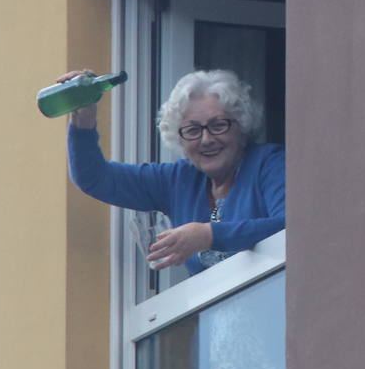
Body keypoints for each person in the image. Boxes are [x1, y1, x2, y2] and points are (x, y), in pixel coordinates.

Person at [61, 67, 286, 274]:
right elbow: (95, 178)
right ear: (179, 138)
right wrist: (84, 120)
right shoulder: (179, 180)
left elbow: (290, 227)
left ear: (242, 125)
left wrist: (208, 235)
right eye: (192, 130)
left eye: (218, 126)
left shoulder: (269, 164)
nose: (206, 139)